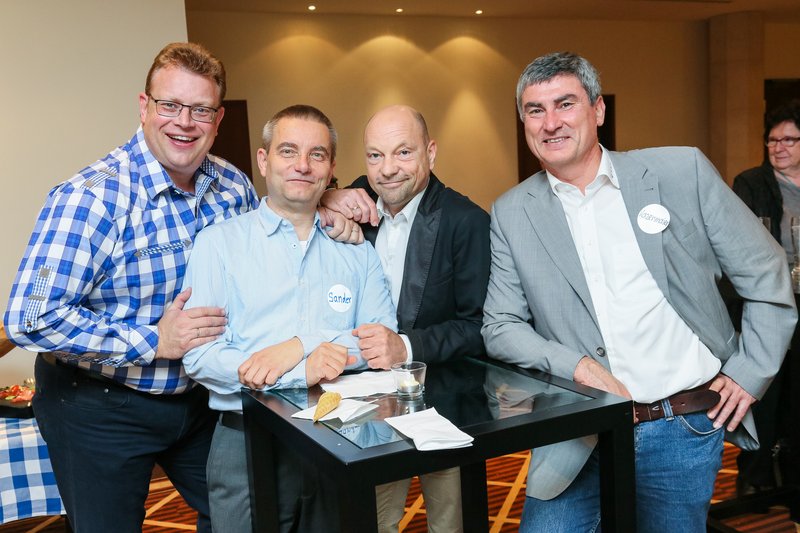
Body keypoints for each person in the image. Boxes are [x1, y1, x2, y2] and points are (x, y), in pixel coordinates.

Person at [2, 43, 358, 533]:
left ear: (217, 119)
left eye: (201, 110)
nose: (184, 123)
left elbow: (273, 233)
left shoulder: (232, 186)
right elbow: (30, 318)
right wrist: (154, 340)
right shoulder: (91, 198)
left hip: (198, 399)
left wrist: (325, 200)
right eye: (170, 105)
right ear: (144, 107)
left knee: (247, 516)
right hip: (99, 406)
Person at [481, 51, 797, 532]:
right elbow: (500, 326)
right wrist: (578, 366)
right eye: (535, 110)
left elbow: (765, 268)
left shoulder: (680, 172)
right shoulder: (512, 211)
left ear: (597, 110)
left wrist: (751, 370)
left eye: (565, 104)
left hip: (681, 425)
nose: (550, 123)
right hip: (577, 430)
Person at [181, 104, 397, 533]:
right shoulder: (218, 245)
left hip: (343, 434)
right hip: (245, 440)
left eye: (317, 154)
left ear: (331, 169)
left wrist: (302, 343)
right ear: (263, 161)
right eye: (288, 151)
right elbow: (201, 357)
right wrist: (300, 371)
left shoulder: (358, 251)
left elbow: (379, 342)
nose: (302, 165)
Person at [322, 104, 490, 533]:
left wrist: (406, 346)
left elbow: (479, 327)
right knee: (373, 520)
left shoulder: (466, 221)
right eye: (375, 155)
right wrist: (327, 195)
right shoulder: (357, 203)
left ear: (430, 153)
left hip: (445, 402)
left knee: (450, 523)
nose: (388, 169)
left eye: (403, 152)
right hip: (366, 403)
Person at [730, 100, 800, 494]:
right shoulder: (751, 183)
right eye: (772, 140)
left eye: (789, 139)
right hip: (767, 301)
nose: (778, 147)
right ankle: (755, 478)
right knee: (765, 393)